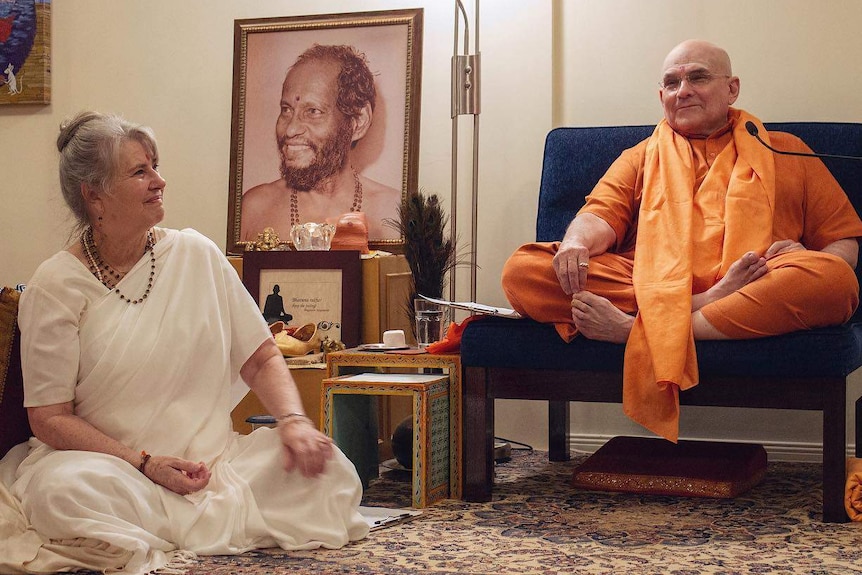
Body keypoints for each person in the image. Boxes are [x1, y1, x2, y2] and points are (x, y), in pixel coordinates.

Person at [0, 112, 368, 574]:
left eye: (155, 165)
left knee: (327, 471)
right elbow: (49, 418)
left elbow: (259, 354)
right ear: (94, 195)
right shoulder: (56, 284)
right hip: (116, 469)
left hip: (210, 464)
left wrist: (293, 421)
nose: (160, 181)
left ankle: (168, 524)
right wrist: (146, 464)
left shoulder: (195, 254)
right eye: (140, 172)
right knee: (63, 493)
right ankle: (179, 522)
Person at [501, 40, 862, 442]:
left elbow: (843, 244)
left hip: (755, 280)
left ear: (732, 89)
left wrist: (809, 254)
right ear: (662, 97)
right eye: (671, 83)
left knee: (834, 279)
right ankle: (697, 307)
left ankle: (642, 329)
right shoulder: (640, 155)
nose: (683, 90)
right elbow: (598, 214)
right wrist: (575, 244)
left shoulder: (785, 150)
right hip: (651, 281)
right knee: (523, 270)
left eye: (698, 77)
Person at [241, 44, 402, 243]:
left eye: (313, 111)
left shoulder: (393, 213)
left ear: (358, 122)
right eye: (286, 109)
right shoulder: (254, 209)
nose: (291, 130)